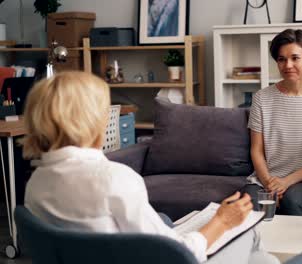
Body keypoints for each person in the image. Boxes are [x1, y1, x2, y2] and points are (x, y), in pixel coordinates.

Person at [21, 71, 279, 264]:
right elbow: (179, 256)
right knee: (248, 234)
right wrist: (222, 221)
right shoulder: (114, 179)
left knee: (167, 221)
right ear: (88, 120)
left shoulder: (36, 182)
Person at [243, 29, 302, 216]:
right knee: (252, 205)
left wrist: (286, 182)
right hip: (263, 180)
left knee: (293, 201)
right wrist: (271, 184)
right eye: (281, 59)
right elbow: (256, 150)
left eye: (295, 58)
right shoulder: (261, 98)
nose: (288, 65)